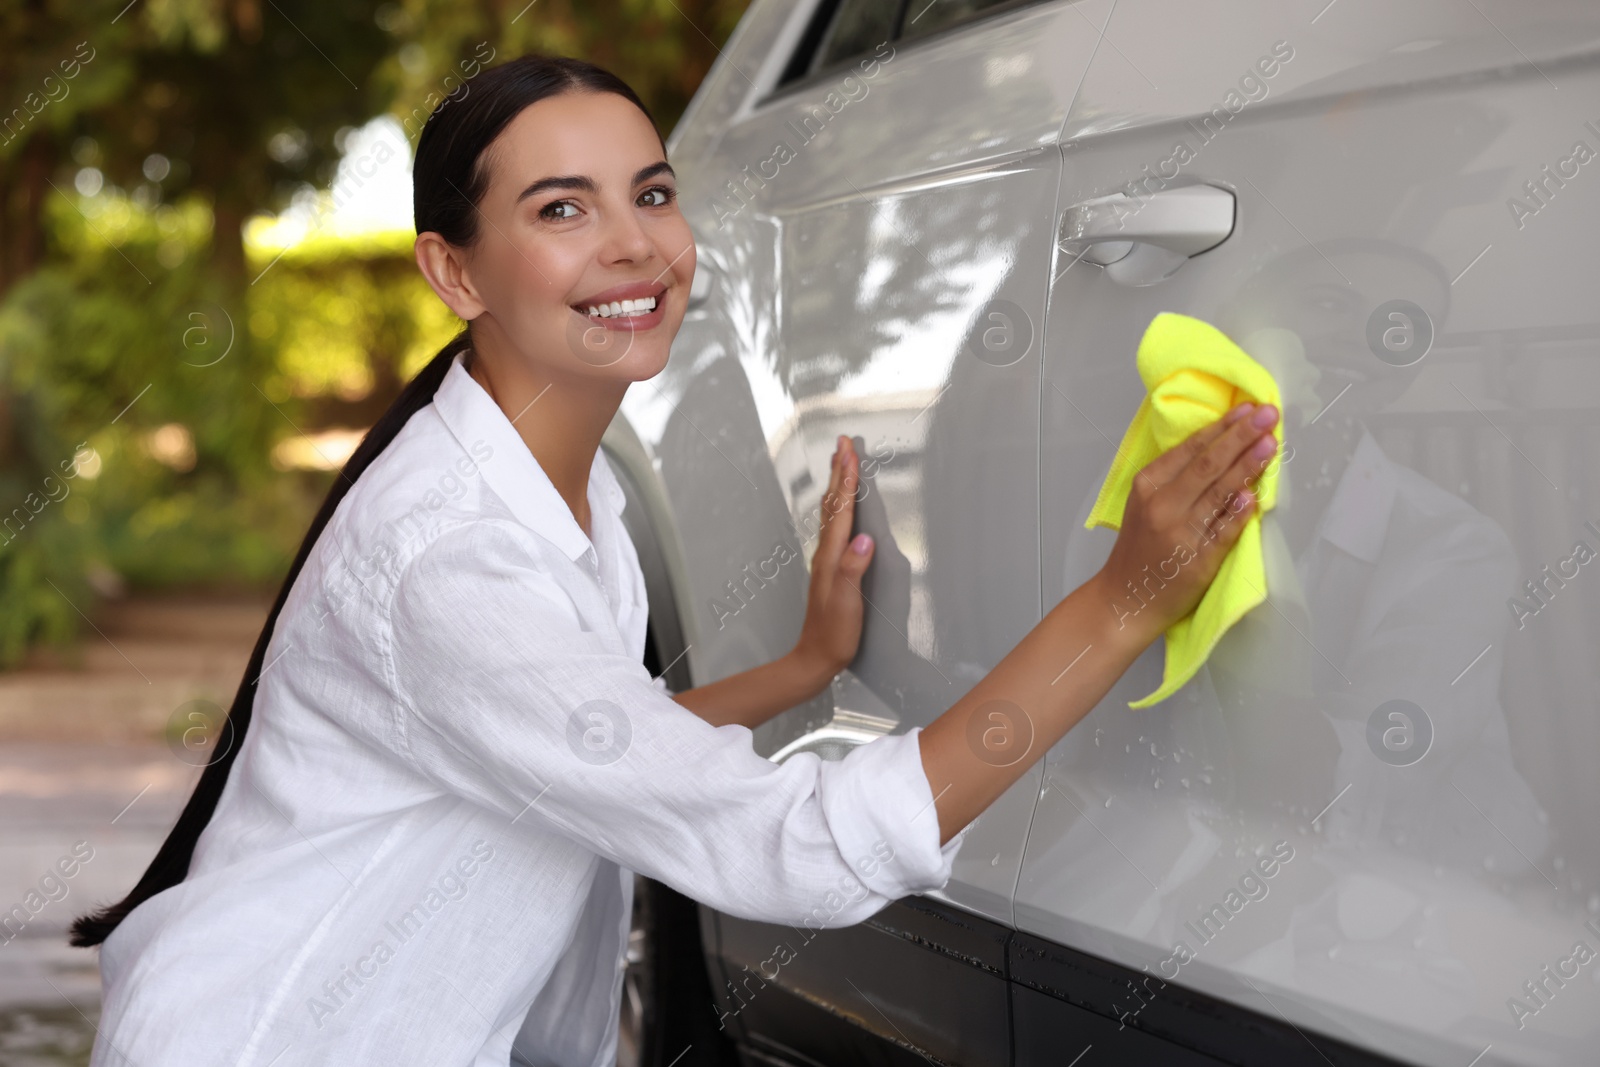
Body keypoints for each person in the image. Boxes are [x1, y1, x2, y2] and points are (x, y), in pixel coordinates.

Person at [69, 53, 1278, 1066]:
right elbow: (791, 850)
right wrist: (1120, 604)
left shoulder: (565, 480)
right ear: (453, 270)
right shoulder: (450, 556)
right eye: (560, 209)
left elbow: (587, 747)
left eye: (650, 192)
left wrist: (803, 665)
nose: (634, 246)